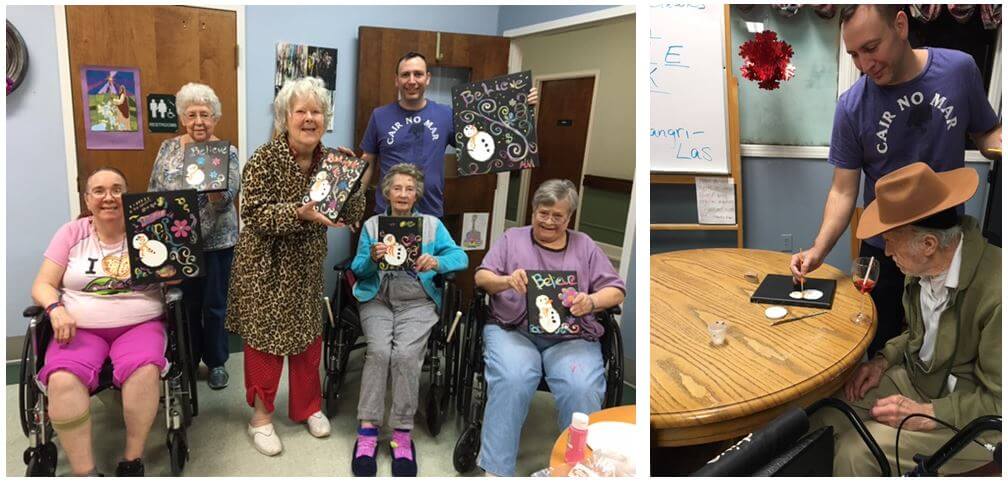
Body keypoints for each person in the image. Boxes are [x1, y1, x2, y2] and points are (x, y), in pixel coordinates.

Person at [790, 4, 1001, 356]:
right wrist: (818, 249)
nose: (864, 64)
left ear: (900, 25)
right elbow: (843, 191)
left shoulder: (959, 70)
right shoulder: (851, 106)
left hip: (944, 239)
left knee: (945, 346)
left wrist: (998, 144)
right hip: (885, 247)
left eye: (871, 48)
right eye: (854, 54)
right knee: (879, 344)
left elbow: (985, 132)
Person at [811, 162, 1000, 475]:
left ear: (927, 244)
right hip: (919, 380)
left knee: (856, 451)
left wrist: (928, 412)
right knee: (825, 414)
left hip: (973, 417)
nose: (886, 252)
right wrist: (882, 361)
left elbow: (999, 400)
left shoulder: (997, 294)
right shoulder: (922, 267)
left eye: (890, 241)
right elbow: (917, 335)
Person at [226, 76, 366, 456]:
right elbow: (252, 214)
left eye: (316, 111)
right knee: (265, 345)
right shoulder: (264, 159)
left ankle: (308, 407)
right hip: (264, 268)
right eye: (300, 111)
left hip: (304, 269)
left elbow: (351, 214)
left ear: (326, 118)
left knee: (308, 342)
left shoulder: (334, 162)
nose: (309, 118)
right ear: (284, 117)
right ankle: (261, 417)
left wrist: (357, 181)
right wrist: (298, 213)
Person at [473, 179, 625, 476]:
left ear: (570, 218)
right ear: (533, 211)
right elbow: (482, 277)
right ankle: (495, 471)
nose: (549, 221)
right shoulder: (512, 239)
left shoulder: (585, 246)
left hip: (571, 337)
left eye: (558, 216)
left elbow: (616, 290)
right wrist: (506, 281)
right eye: (543, 212)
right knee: (513, 378)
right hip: (513, 330)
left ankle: (578, 469)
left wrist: (591, 302)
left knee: (582, 387)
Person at [31, 168, 168, 476]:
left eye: (117, 189)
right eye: (99, 190)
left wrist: (175, 270)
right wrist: (55, 308)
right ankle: (85, 472)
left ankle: (132, 459)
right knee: (63, 379)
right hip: (79, 326)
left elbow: (174, 273)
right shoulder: (71, 233)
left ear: (128, 196)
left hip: (140, 323)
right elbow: (42, 284)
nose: (109, 197)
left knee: (145, 371)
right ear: (87, 199)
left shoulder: (149, 231)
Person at [349, 163, 468, 477]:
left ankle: (402, 433)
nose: (403, 194)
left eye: (409, 188)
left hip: (417, 298)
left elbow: (461, 257)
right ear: (387, 192)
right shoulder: (374, 225)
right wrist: (372, 258)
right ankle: (368, 430)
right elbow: (358, 269)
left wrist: (438, 260)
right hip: (378, 296)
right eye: (397, 188)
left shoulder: (431, 225)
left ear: (418, 194)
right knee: (378, 352)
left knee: (404, 355)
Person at [350, 51, 536, 217]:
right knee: (388, 256)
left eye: (418, 74)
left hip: (430, 210)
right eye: (405, 75)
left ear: (428, 78)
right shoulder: (380, 115)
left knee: (427, 257)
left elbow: (482, 137)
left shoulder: (446, 114)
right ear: (396, 79)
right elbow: (368, 160)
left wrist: (519, 108)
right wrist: (355, 201)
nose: (412, 80)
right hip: (389, 210)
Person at [148, 82, 240, 390]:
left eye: (205, 114)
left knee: (215, 305)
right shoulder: (169, 149)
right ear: (182, 118)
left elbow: (228, 198)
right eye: (192, 114)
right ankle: (186, 360)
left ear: (215, 118)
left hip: (217, 243)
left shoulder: (226, 151)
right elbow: (154, 192)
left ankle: (216, 363)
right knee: (184, 304)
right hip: (178, 243)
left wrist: (215, 190)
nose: (199, 121)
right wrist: (156, 237)